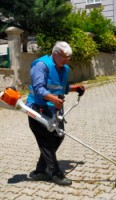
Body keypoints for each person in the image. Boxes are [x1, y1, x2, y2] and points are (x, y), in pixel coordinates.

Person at [26, 41, 85, 186]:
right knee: (46, 141)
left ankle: (40, 170)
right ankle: (55, 173)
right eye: (64, 57)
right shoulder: (41, 65)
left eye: (69, 58)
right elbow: (39, 88)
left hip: (55, 109)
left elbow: (61, 88)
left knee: (58, 136)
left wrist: (75, 88)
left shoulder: (64, 68)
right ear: (55, 54)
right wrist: (53, 99)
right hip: (37, 108)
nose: (67, 60)